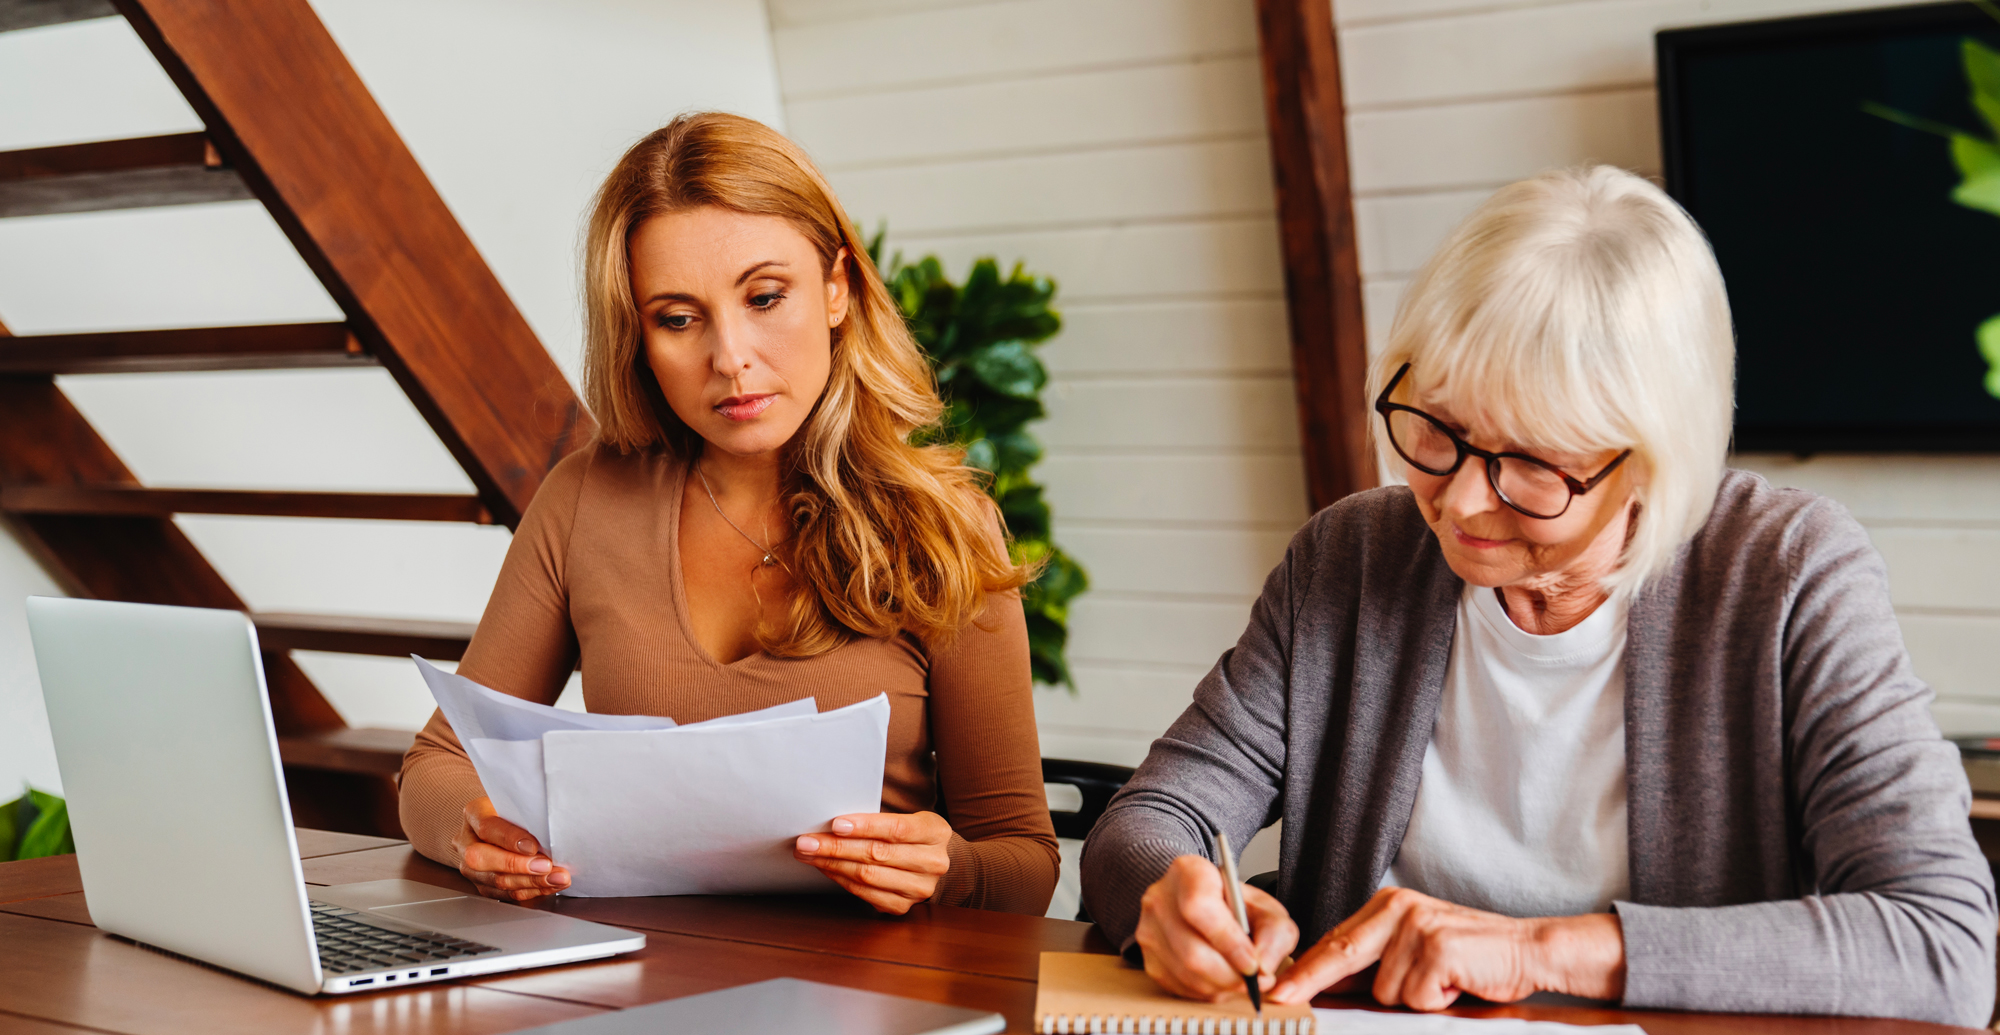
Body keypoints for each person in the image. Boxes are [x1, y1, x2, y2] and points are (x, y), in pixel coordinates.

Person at [1079, 166, 1997, 1025]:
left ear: (1650, 463)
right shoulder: (1349, 558)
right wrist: (1173, 892)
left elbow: (1942, 945)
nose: (1463, 501)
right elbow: (1149, 821)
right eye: (1436, 430)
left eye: (1531, 464)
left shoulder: (1789, 573)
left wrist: (1542, 952)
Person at [399, 112, 1058, 916]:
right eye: (678, 318)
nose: (731, 357)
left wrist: (946, 868)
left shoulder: (943, 526)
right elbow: (434, 763)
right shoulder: (585, 499)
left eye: (766, 297)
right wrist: (475, 830)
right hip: (636, 981)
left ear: (838, 288)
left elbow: (1025, 862)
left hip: (871, 995)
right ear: (637, 337)